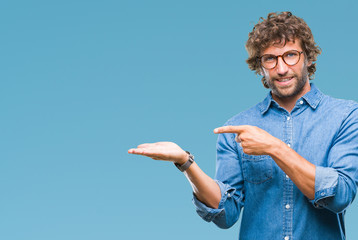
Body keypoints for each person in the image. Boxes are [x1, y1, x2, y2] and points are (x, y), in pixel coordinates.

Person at [128, 11, 358, 240]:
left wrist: (274, 148)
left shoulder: (346, 116)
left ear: (308, 57)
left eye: (290, 55)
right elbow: (225, 214)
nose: (281, 68)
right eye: (270, 58)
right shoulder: (237, 128)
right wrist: (185, 162)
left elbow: (340, 195)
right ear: (260, 66)